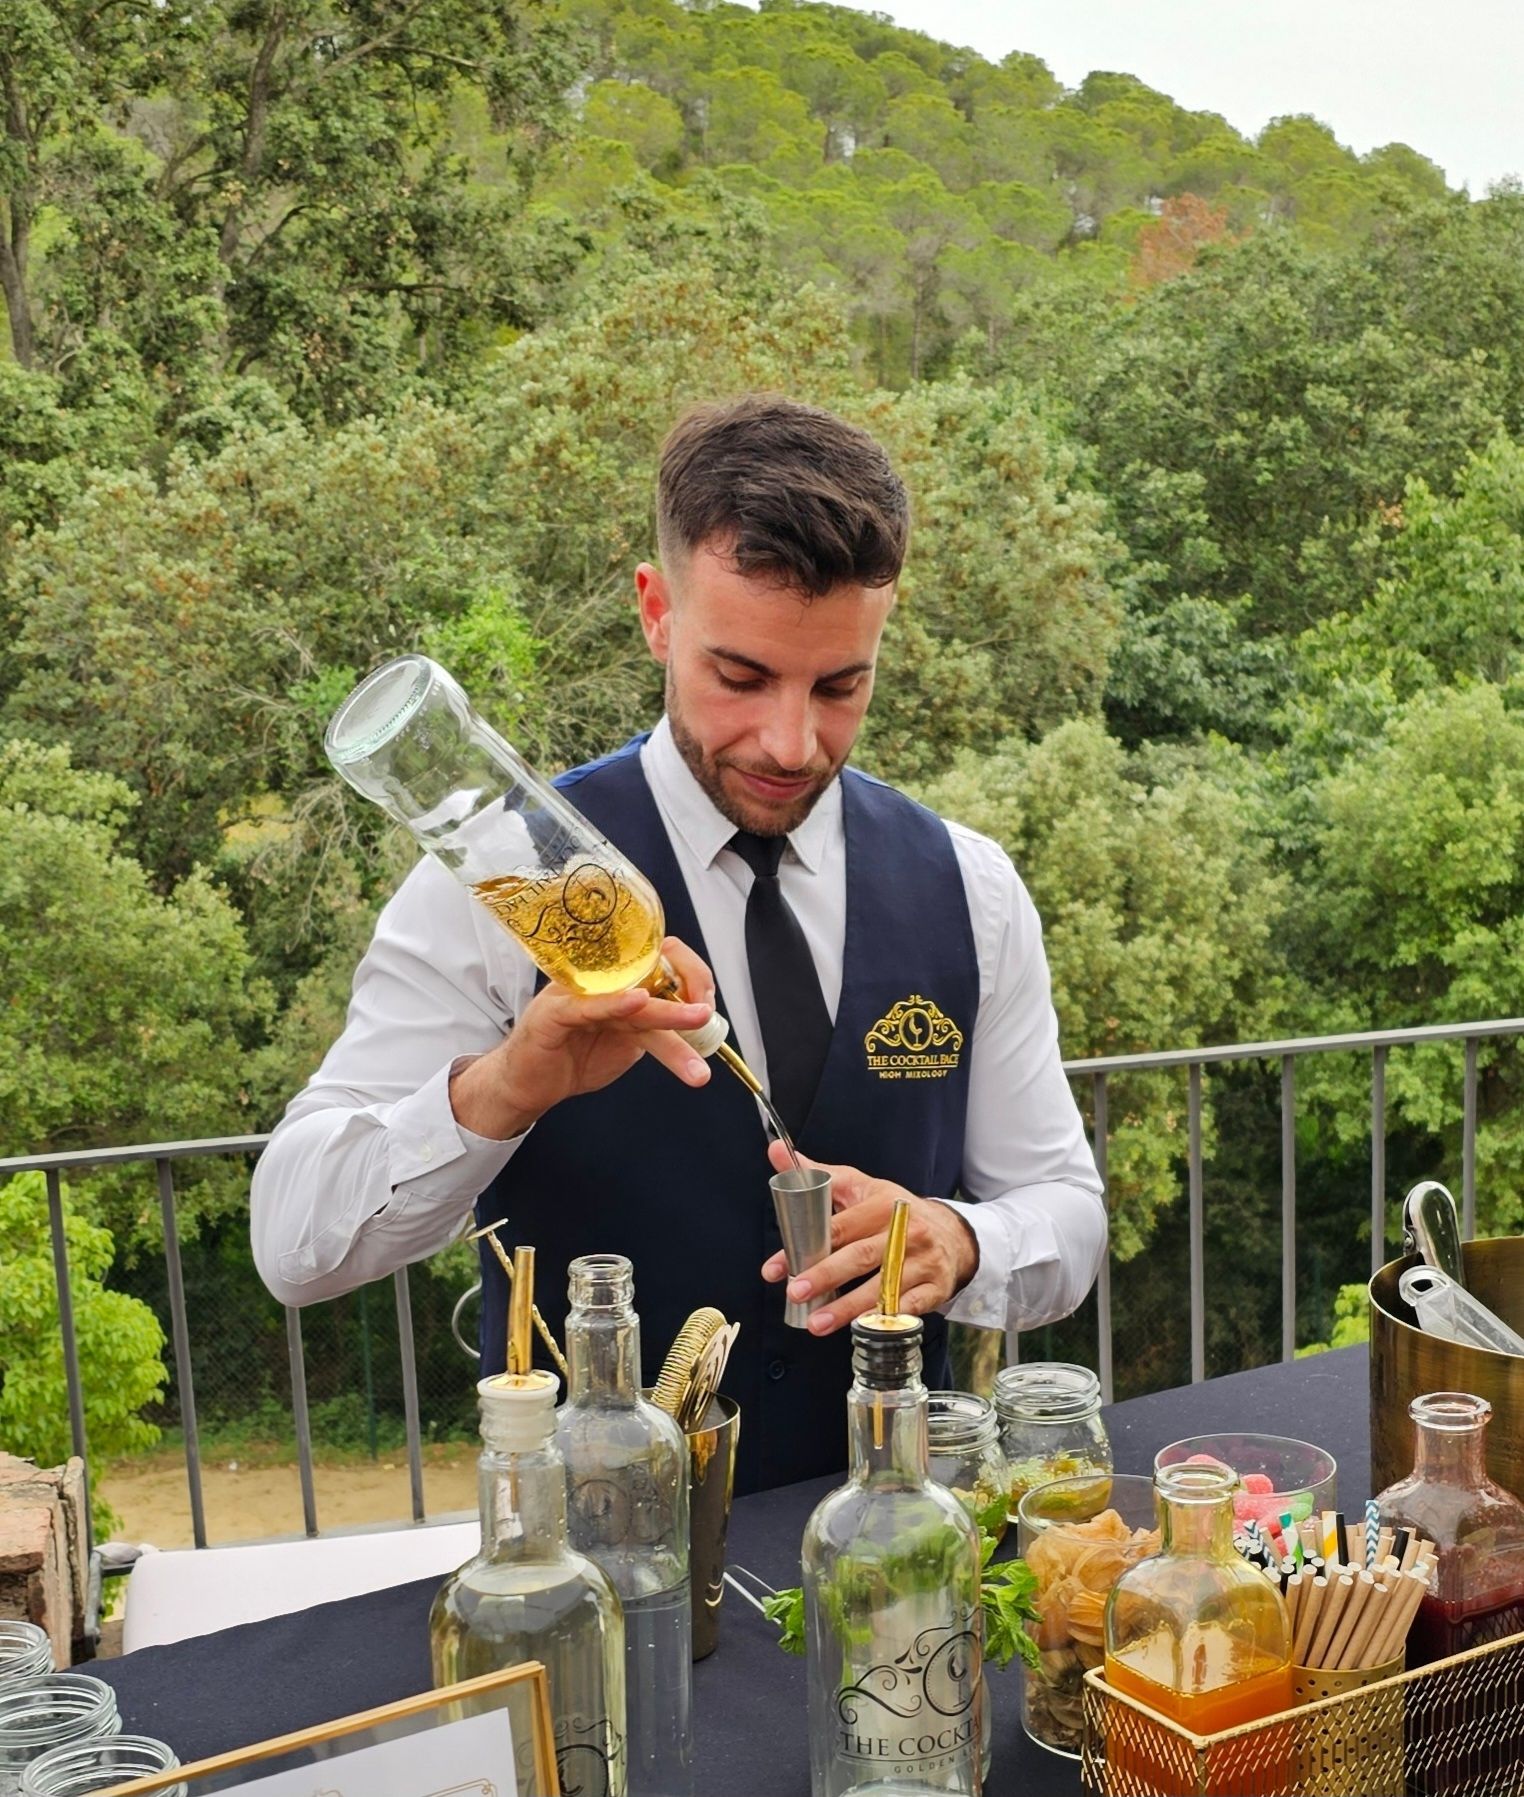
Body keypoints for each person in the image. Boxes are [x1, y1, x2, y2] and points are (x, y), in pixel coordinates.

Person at [251, 396, 1106, 1492]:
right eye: (740, 677)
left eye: (841, 686)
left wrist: (960, 1239)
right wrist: (505, 1085)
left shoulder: (970, 887)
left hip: (902, 1535)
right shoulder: (501, 881)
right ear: (657, 613)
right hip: (604, 1554)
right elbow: (293, 1243)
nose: (791, 743)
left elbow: (1067, 1212)